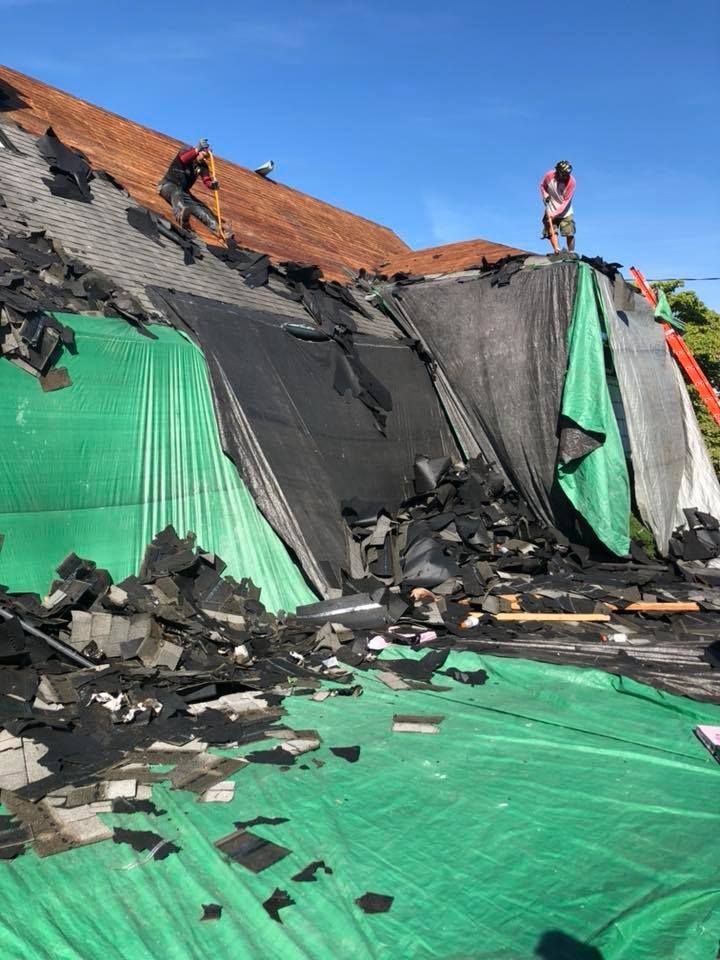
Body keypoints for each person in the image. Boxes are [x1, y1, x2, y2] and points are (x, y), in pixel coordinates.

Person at [158, 138, 230, 238]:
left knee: (200, 208)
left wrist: (212, 185)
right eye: (204, 156)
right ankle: (181, 215)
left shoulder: (203, 166)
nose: (204, 159)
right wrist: (197, 149)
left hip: (184, 192)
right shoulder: (186, 152)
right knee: (176, 193)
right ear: (199, 152)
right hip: (168, 185)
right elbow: (183, 159)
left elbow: (206, 180)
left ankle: (218, 229)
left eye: (207, 158)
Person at [539, 160, 576, 252]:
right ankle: (557, 250)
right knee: (551, 230)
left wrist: (555, 213)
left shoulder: (571, 182)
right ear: (557, 171)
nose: (564, 177)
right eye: (562, 174)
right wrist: (545, 195)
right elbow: (542, 185)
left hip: (565, 211)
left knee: (569, 232)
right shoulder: (549, 175)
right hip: (551, 208)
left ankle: (571, 252)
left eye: (566, 175)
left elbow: (566, 201)